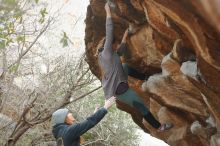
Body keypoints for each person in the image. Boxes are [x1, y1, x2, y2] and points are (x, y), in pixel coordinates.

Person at [97, 2, 173, 132]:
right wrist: (108, 11)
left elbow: (120, 51)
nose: (114, 46)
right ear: (108, 46)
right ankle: (159, 127)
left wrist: (126, 35)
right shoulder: (106, 53)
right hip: (121, 92)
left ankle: (145, 77)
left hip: (121, 77)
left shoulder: (109, 56)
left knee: (125, 66)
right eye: (113, 44)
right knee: (140, 105)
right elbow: (109, 30)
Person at [51, 96, 116, 146]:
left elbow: (82, 125)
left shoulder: (60, 134)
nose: (71, 114)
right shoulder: (69, 131)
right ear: (64, 119)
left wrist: (94, 114)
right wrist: (105, 107)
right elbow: (89, 122)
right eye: (68, 114)